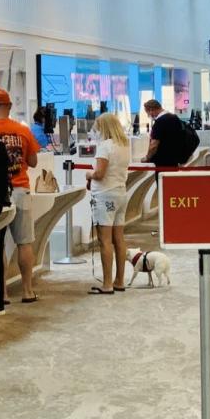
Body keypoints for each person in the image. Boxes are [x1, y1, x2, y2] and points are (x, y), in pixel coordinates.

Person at [0, 88, 41, 313]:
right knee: (24, 242)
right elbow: (32, 162)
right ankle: (27, 290)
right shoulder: (22, 130)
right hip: (21, 188)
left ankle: (1, 293)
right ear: (10, 106)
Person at [85, 113, 131, 294]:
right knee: (119, 239)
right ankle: (119, 280)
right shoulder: (124, 145)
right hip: (120, 194)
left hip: (104, 196)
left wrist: (89, 174)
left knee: (105, 241)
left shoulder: (104, 147)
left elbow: (99, 174)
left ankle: (107, 284)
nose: (95, 132)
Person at [141, 99, 184, 168]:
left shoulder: (160, 122)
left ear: (152, 109)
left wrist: (147, 158)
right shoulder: (174, 117)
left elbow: (154, 145)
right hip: (175, 159)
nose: (149, 115)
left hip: (162, 162)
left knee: (161, 178)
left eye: (148, 113)